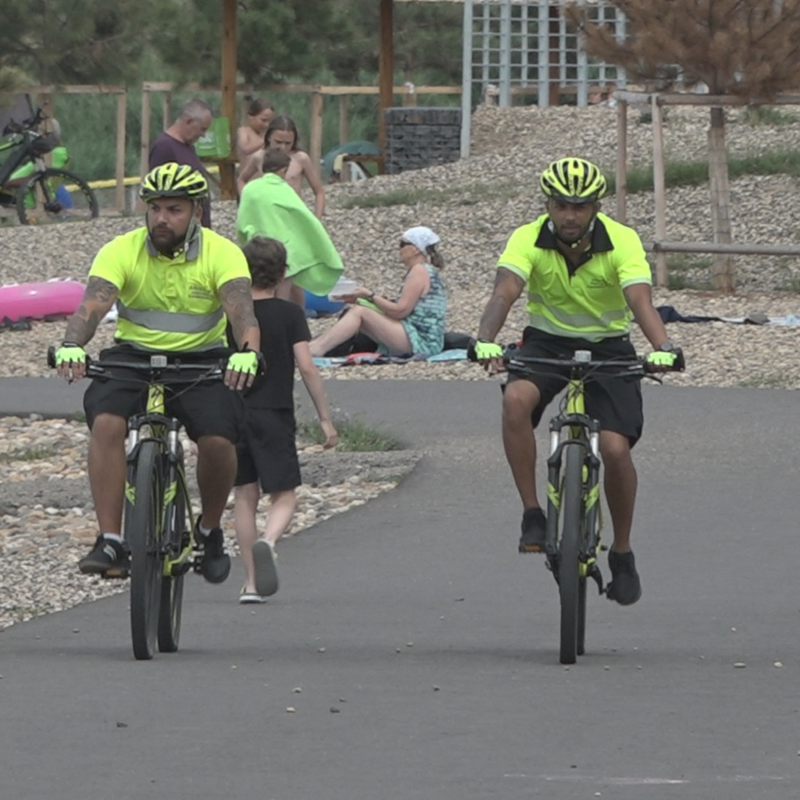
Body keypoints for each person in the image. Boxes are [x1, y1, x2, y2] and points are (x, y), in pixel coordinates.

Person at [473, 157, 683, 606]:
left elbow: (639, 299)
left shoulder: (622, 240)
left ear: (596, 207)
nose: (570, 215)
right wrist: (484, 340)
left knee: (613, 448)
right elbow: (504, 291)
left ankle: (622, 552)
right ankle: (533, 514)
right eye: (561, 205)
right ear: (548, 204)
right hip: (546, 344)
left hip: (609, 347)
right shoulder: (527, 238)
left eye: (581, 206)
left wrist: (663, 346)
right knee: (515, 401)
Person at [54, 162, 262, 585]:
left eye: (174, 209)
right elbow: (90, 307)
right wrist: (73, 344)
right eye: (155, 209)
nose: (162, 218)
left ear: (197, 213)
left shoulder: (222, 253)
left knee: (220, 440)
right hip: (132, 357)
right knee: (107, 422)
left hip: (201, 362)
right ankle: (111, 540)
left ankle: (209, 530)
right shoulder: (121, 249)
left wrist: (247, 352)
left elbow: (243, 313)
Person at [232, 236, 338, 603]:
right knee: (284, 493)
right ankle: (270, 540)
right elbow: (307, 367)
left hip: (234, 414)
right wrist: (325, 418)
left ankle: (249, 584)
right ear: (281, 274)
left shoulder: (231, 316)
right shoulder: (290, 315)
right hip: (274, 413)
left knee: (244, 495)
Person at [309, 226, 447, 358]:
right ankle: (319, 346)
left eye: (402, 244)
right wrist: (361, 300)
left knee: (360, 312)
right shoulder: (424, 271)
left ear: (416, 249)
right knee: (360, 309)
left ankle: (316, 349)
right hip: (420, 337)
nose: (399, 249)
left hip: (420, 342)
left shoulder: (419, 271)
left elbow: (400, 311)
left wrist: (370, 295)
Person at [237, 147, 343, 307]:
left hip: (258, 251)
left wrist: (246, 244)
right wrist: (318, 237)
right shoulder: (285, 190)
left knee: (259, 291)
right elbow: (304, 217)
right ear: (284, 169)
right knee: (282, 296)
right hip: (285, 252)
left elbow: (242, 222)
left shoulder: (250, 189)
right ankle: (292, 324)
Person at [237, 115, 325, 218]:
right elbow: (241, 180)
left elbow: (319, 192)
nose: (283, 147)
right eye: (278, 142)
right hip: (269, 214)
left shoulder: (301, 159)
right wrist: (247, 201)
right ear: (269, 137)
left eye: (288, 143)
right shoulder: (260, 157)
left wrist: (317, 219)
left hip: (293, 213)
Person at [149, 98, 214, 228]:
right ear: (189, 121)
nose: (203, 135)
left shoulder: (188, 146)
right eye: (202, 129)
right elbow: (159, 194)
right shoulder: (164, 147)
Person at [236, 98, 276, 162]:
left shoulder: (266, 134)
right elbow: (245, 149)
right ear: (251, 116)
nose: (267, 125)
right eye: (263, 120)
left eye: (270, 121)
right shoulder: (244, 131)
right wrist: (265, 141)